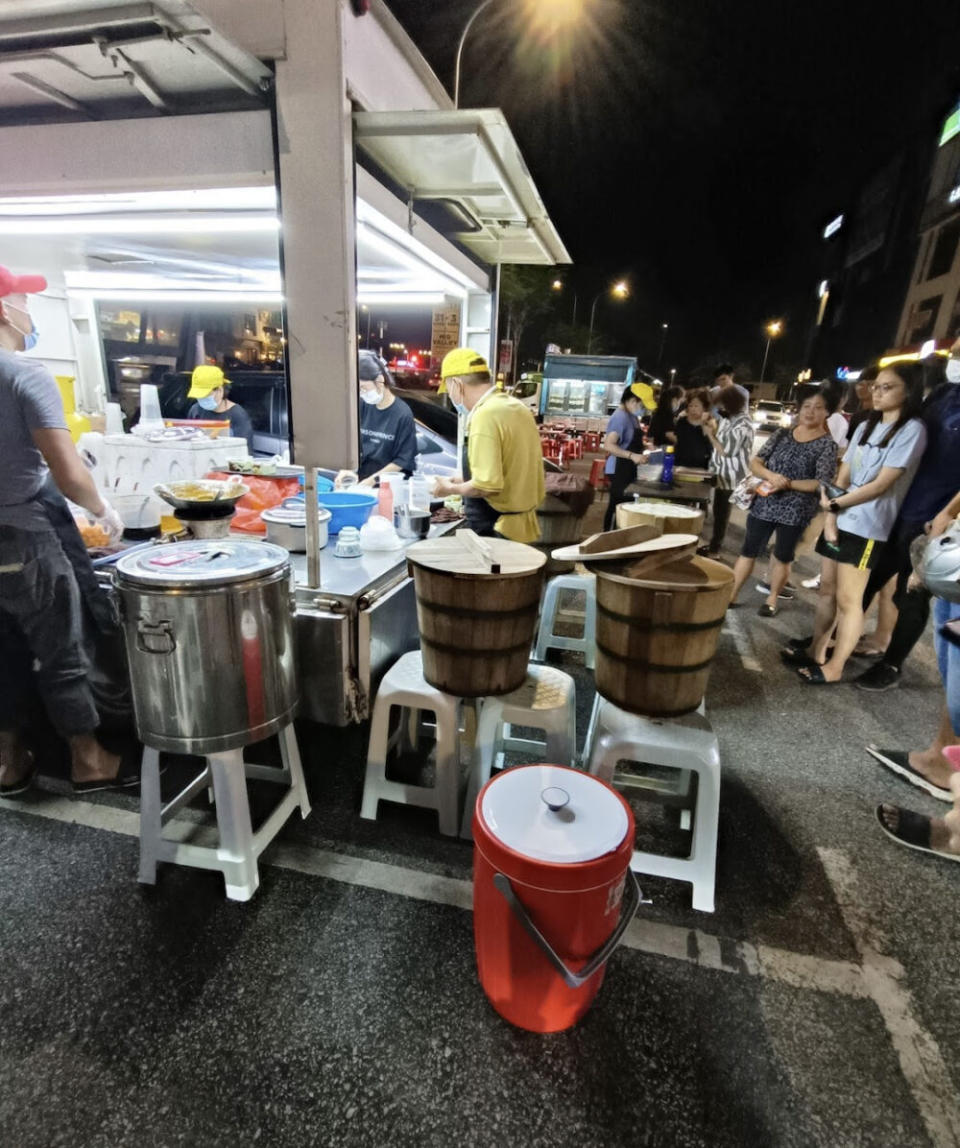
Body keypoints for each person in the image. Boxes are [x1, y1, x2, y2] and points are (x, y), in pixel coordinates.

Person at [0, 265, 130, 797]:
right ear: (3, 309)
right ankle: (88, 759)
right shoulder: (24, 375)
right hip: (22, 536)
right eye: (25, 299)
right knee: (62, 649)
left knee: (3, 648)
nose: (31, 311)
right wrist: (104, 509)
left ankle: (7, 763)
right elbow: (68, 472)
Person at [790, 362, 926, 684]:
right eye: (876, 385)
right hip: (842, 517)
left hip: (868, 527)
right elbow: (845, 471)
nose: (876, 392)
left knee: (850, 601)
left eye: (887, 387)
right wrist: (832, 514)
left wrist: (834, 504)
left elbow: (882, 485)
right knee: (827, 591)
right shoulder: (867, 423)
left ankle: (834, 667)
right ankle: (816, 651)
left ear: (909, 390)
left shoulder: (912, 430)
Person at [855, 340, 960, 691]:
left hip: (934, 519)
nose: (955, 355)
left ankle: (892, 664)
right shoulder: (944, 392)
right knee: (867, 577)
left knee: (911, 593)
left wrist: (948, 512)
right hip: (899, 508)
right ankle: (840, 638)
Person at [728, 390, 837, 616]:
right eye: (807, 405)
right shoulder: (781, 434)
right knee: (748, 551)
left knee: (783, 556)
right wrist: (771, 476)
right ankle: (731, 594)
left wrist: (786, 484)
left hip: (796, 510)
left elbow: (821, 483)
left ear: (827, 412)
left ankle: (771, 599)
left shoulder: (827, 445)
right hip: (764, 503)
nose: (811, 411)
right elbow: (756, 462)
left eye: (818, 407)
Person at [432, 347, 545, 542]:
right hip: (521, 527)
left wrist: (449, 489)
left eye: (448, 390)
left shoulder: (485, 415)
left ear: (457, 384)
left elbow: (487, 486)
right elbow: (509, 466)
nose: (450, 397)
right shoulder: (516, 407)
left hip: (497, 531)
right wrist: (460, 479)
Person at [336, 350, 417, 487]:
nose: (362, 394)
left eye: (363, 388)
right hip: (360, 482)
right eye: (358, 390)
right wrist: (346, 470)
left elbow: (402, 460)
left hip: (388, 486)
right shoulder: (363, 406)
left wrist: (371, 481)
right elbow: (351, 443)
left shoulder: (402, 414)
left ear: (380, 381)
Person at [700, 385, 754, 557]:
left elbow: (726, 450)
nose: (719, 409)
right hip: (719, 473)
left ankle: (715, 549)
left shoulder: (743, 423)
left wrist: (710, 434)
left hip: (731, 476)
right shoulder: (728, 419)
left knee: (722, 514)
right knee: (717, 512)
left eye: (721, 405)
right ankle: (713, 545)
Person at [601, 383, 648, 532]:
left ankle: (618, 538)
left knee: (625, 508)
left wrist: (645, 447)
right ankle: (607, 539)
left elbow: (628, 441)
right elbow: (609, 445)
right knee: (617, 508)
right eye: (643, 404)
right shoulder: (620, 417)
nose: (644, 409)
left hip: (628, 469)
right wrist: (632, 455)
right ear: (633, 400)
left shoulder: (631, 416)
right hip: (619, 469)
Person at [186, 364, 254, 450]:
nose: (202, 399)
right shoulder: (195, 410)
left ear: (220, 390)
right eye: (199, 395)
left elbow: (245, 452)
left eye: (206, 395)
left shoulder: (237, 415)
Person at [672, 388, 712, 469]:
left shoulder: (710, 423)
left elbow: (711, 448)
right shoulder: (681, 422)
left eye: (696, 406)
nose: (693, 409)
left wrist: (705, 426)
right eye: (690, 405)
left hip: (702, 468)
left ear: (704, 407)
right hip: (680, 466)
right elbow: (676, 443)